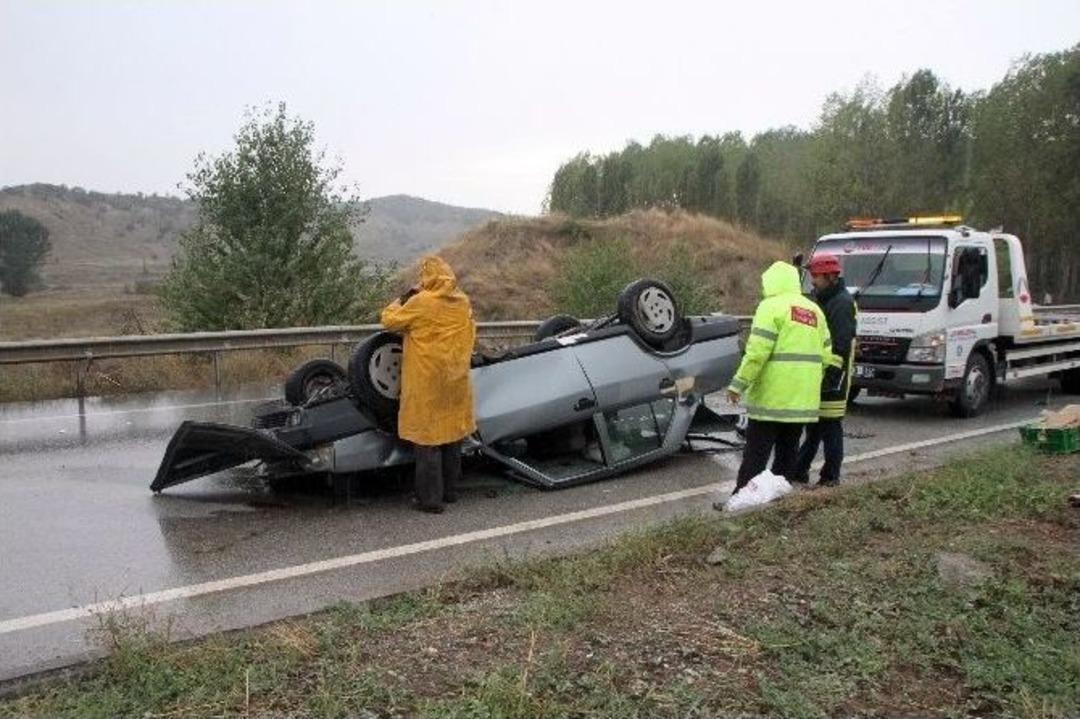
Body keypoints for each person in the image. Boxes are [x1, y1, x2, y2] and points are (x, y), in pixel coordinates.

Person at [718, 261, 832, 502]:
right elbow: (826, 356)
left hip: (772, 399)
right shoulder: (814, 311)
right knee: (787, 455)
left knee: (756, 455)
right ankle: (778, 501)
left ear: (770, 282)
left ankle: (741, 501)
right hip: (801, 402)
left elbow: (757, 353)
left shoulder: (771, 307)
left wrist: (739, 384)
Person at [381, 256, 477, 513]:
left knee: (428, 440)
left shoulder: (422, 301)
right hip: (455, 378)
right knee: (453, 435)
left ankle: (429, 500)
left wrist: (402, 297)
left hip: (428, 379)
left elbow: (389, 321)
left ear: (428, 277)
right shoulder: (462, 302)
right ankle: (450, 492)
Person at [792, 253, 857, 488]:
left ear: (830, 276)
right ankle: (799, 470)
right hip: (822, 374)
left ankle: (830, 477)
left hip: (834, 377)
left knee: (830, 428)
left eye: (816, 276)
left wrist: (830, 377)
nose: (813, 280)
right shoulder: (826, 298)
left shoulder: (841, 303)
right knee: (815, 427)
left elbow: (840, 346)